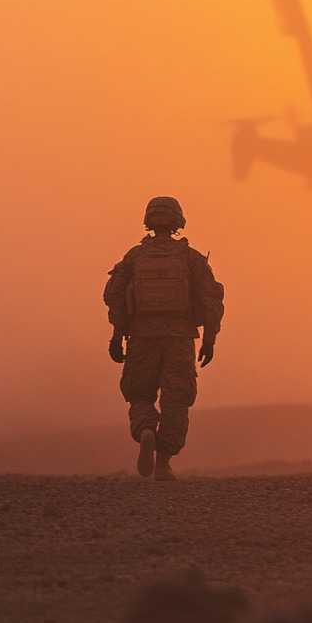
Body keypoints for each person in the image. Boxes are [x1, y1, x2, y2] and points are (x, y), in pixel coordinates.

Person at [103, 197, 224, 481]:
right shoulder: (190, 258)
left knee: (140, 394)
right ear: (178, 221)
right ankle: (163, 463)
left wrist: (117, 335)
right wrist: (210, 338)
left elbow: (114, 297)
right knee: (176, 400)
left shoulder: (133, 257)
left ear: (149, 220)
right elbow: (211, 300)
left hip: (141, 337)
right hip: (179, 338)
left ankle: (146, 430)